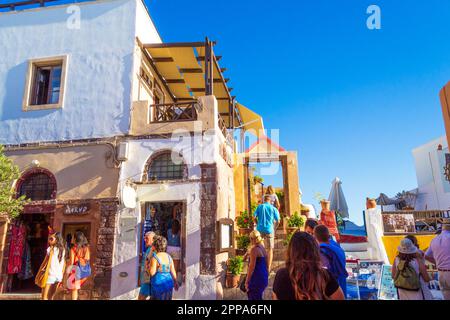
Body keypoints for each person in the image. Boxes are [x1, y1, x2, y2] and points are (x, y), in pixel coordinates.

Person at [272, 231, 345, 300]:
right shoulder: (324, 275)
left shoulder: (281, 275)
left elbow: (275, 297)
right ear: (314, 250)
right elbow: (340, 298)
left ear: (291, 251)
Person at [314, 225, 348, 298]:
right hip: (342, 285)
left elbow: (325, 274)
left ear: (315, 237)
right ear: (328, 235)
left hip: (332, 289)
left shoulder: (322, 251)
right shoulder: (337, 248)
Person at [253, 195, 280, 271]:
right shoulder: (273, 208)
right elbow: (278, 220)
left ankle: (260, 266)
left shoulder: (259, 207)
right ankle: (268, 268)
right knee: (270, 249)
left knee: (260, 248)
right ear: (270, 201)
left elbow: (254, 217)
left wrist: (257, 223)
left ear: (264, 200)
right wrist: (275, 228)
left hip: (259, 229)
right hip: (270, 230)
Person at [425, 218, 450, 300]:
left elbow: (426, 255)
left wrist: (436, 263)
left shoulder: (434, 240)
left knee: (446, 296)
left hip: (441, 273)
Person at [149, 235, 179, 300]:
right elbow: (173, 271)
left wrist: (148, 266)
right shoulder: (169, 257)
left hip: (158, 284)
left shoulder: (155, 258)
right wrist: (176, 282)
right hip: (168, 283)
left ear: (155, 246)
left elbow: (152, 273)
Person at [405, 234, 433, 300]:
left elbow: (393, 275)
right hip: (419, 285)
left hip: (404, 288)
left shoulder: (398, 258)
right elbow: (425, 277)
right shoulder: (419, 254)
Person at [66, 231, 91, 300]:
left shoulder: (73, 249)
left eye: (73, 237)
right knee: (75, 289)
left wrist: (67, 273)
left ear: (75, 239)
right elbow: (87, 259)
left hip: (75, 272)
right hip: (84, 272)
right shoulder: (86, 248)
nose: (71, 239)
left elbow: (71, 263)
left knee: (74, 290)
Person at [244, 231, 269, 300]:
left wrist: (247, 281)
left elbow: (251, 267)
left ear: (251, 239)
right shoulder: (262, 248)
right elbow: (267, 263)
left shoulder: (254, 250)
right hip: (263, 277)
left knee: (253, 297)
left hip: (256, 278)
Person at [41, 231, 66, 300]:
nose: (49, 240)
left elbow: (45, 262)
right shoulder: (63, 250)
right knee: (51, 297)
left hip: (50, 275)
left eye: (51, 239)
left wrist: (42, 270)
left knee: (44, 297)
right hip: (58, 276)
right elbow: (63, 264)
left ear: (57, 240)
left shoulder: (50, 249)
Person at [139, 231, 155, 300]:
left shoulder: (152, 250)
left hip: (148, 281)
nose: (145, 240)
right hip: (145, 279)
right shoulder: (149, 249)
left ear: (153, 240)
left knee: (141, 298)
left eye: (147, 238)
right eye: (144, 238)